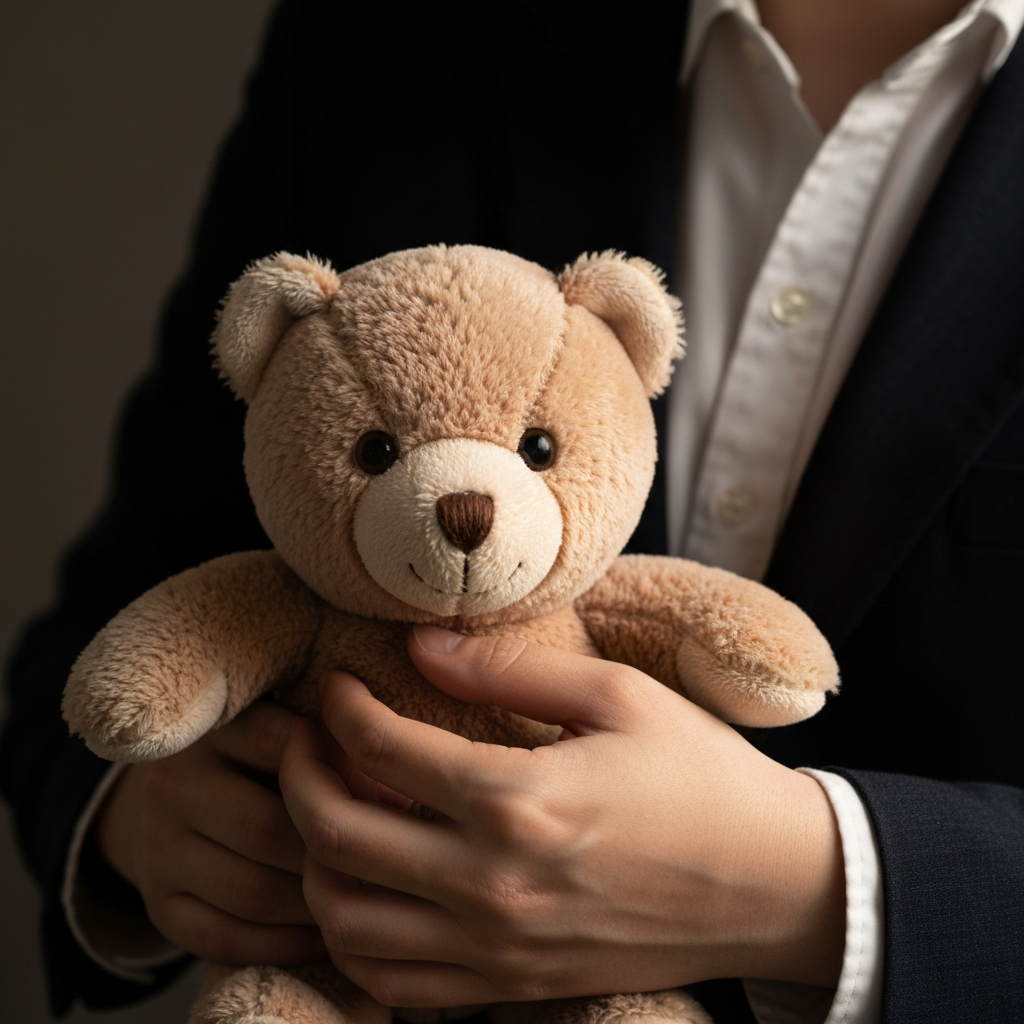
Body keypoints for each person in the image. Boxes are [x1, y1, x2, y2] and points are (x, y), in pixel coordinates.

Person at [2, 1, 1022, 1022]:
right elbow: (114, 611)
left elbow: (772, 668)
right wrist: (140, 820)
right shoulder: (383, 35)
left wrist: (824, 885)